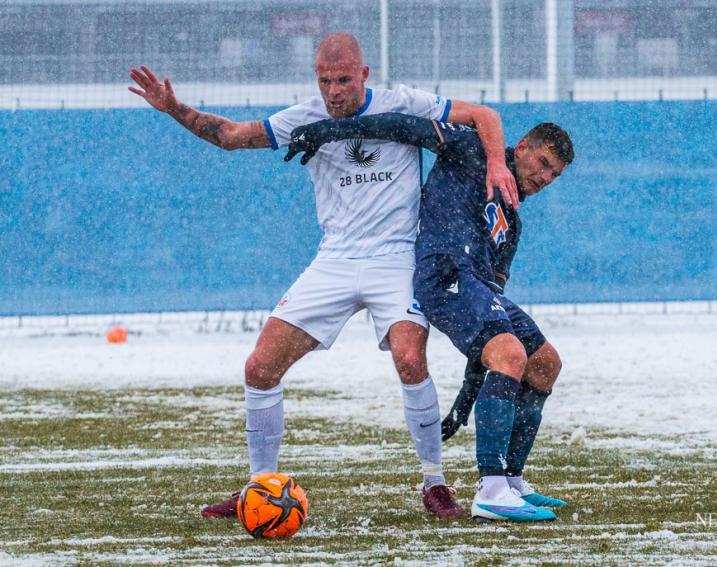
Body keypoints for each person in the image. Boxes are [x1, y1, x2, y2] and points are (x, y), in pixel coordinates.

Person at [128, 32, 520, 519]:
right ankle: (259, 486)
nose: (333, 91)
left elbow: (485, 116)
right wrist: (174, 108)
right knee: (259, 369)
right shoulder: (304, 117)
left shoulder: (405, 102)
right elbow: (231, 136)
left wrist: (498, 165)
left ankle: (434, 482)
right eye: (324, 81)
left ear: (363, 75)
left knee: (410, 359)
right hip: (334, 259)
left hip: (395, 257)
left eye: (341, 80)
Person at [285, 112, 574, 521]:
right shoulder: (473, 148)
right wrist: (328, 130)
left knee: (544, 363)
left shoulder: (511, 223)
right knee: (511, 353)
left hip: (474, 284)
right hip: (444, 273)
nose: (545, 178)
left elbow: (490, 326)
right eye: (543, 163)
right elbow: (403, 126)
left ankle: (510, 480)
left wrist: (466, 397)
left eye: (555, 175)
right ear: (522, 147)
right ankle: (491, 490)